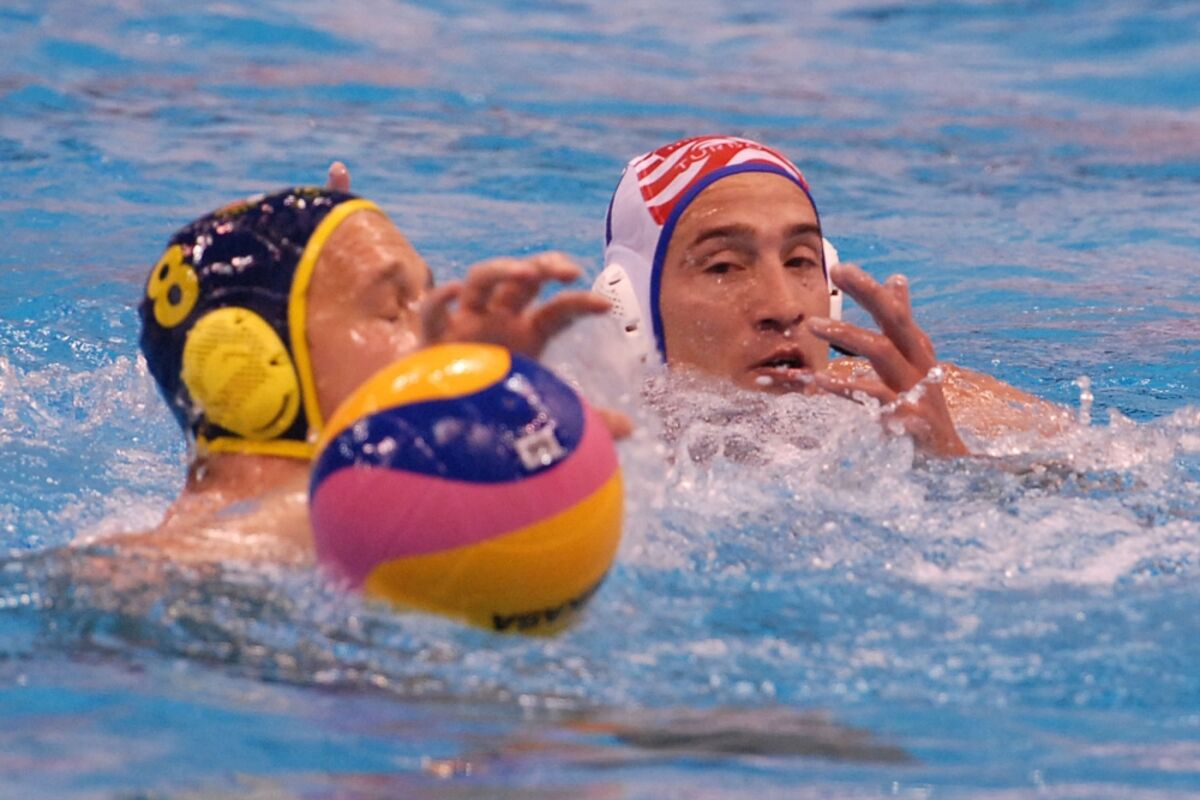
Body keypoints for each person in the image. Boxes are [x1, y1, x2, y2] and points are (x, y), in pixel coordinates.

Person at [109, 184, 615, 564]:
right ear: (249, 369)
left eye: (431, 296)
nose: (443, 332)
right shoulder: (147, 571)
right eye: (393, 309)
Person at [595, 135, 1068, 456]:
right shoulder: (580, 430)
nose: (784, 309)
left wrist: (948, 459)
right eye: (724, 267)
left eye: (800, 261)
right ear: (629, 307)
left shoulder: (925, 401)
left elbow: (1100, 488)